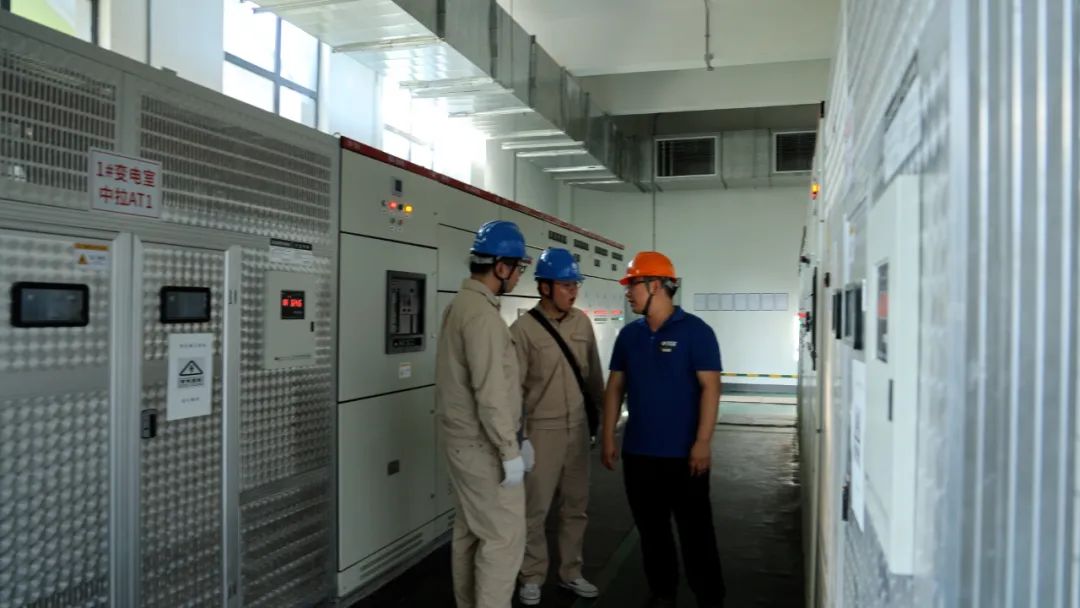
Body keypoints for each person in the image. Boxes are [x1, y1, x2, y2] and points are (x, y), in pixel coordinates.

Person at [600, 251, 726, 608]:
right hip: (639, 453)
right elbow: (615, 387)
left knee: (696, 532)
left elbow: (711, 388)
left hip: (685, 455)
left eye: (633, 285)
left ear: (656, 286)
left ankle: (709, 597)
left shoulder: (697, 332)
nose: (628, 293)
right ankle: (663, 592)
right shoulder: (629, 336)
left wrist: (703, 442)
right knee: (651, 531)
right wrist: (607, 436)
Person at [435, 219, 536, 608]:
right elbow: (491, 393)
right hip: (483, 449)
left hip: (462, 444)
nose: (519, 275)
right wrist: (510, 451)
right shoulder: (482, 316)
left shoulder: (460, 306)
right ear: (500, 266)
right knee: (503, 537)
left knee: (470, 533)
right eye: (518, 267)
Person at [509, 248, 603, 606]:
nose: (573, 292)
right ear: (545, 287)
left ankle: (571, 572)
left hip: (577, 428)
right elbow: (513, 391)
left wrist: (602, 420)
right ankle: (532, 575)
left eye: (575, 285)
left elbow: (594, 377)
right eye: (566, 285)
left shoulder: (582, 323)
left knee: (576, 506)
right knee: (534, 510)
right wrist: (518, 439)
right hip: (541, 431)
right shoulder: (522, 330)